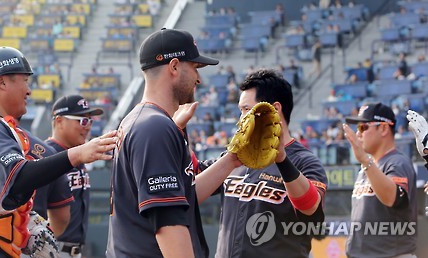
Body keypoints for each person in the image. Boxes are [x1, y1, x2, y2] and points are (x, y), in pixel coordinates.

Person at [0, 46, 118, 258]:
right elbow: (17, 179)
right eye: (24, 80)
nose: (28, 90)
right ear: (1, 82)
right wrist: (77, 154)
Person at [106, 28, 242, 258]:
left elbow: (186, 195)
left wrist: (232, 160)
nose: (198, 78)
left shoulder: (143, 121)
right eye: (195, 68)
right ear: (175, 66)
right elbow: (167, 222)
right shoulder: (154, 128)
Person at [214, 68, 328, 257]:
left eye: (247, 110)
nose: (241, 119)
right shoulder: (235, 158)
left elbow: (312, 210)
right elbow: (190, 176)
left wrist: (282, 159)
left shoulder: (305, 162)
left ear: (274, 109)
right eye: (240, 111)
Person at [343, 103, 417, 258]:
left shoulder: (397, 162)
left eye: (363, 127)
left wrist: (364, 160)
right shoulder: (368, 168)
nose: (358, 134)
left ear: (383, 128)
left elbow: (393, 198)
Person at [45, 94, 104, 258]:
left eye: (90, 121)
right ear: (59, 121)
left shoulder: (79, 154)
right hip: (51, 249)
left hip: (75, 251)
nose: (88, 127)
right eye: (82, 120)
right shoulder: (45, 155)